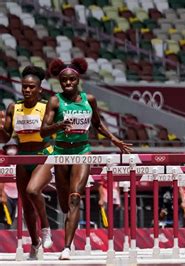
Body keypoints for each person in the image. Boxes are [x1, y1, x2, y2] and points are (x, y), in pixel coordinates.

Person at [39, 58, 132, 260]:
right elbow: (43, 131)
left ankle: (66, 247)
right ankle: (67, 231)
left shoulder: (89, 100)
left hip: (82, 151)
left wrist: (115, 140)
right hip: (61, 153)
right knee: (64, 204)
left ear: (78, 79)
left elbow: (97, 125)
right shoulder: (55, 101)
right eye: (64, 81)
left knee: (74, 198)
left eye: (72, 80)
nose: (68, 83)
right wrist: (58, 126)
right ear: (59, 82)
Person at [0, 66, 54, 259]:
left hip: (43, 154)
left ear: (40, 89)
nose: (27, 90)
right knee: (26, 205)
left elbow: (53, 131)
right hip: (23, 157)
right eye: (24, 87)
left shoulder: (47, 106)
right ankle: (35, 243)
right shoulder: (14, 108)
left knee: (33, 191)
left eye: (32, 87)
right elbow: (6, 138)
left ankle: (46, 228)